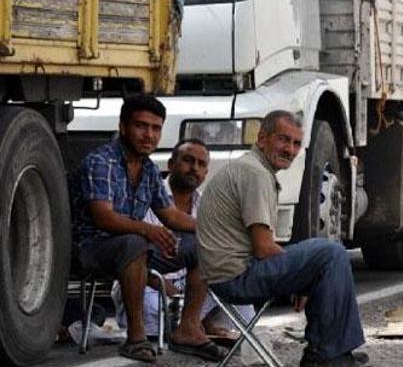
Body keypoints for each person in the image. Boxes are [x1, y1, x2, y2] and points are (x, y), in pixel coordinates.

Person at [197, 110, 368, 366]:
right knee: (330, 253)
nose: (290, 149)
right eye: (283, 140)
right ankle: (325, 355)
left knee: (323, 258)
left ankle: (328, 351)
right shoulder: (254, 173)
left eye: (296, 143)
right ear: (262, 138)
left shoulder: (253, 168)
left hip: (228, 274)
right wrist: (301, 277)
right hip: (235, 278)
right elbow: (264, 248)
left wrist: (302, 275)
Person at [73, 96, 228, 363]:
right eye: (141, 126)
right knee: (135, 242)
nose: (149, 135)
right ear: (123, 127)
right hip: (93, 248)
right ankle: (136, 338)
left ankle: (188, 329)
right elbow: (103, 217)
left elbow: (171, 216)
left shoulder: (147, 169)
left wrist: (215, 230)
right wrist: (147, 230)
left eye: (156, 128)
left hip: (135, 246)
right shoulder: (101, 161)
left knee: (203, 244)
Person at [110, 138, 269, 358]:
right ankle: (200, 325)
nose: (194, 168)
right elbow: (131, 253)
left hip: (192, 288)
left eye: (201, 164)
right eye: (188, 160)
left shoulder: (208, 206)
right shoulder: (147, 197)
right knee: (151, 306)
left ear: (206, 174)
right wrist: (166, 287)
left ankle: (194, 324)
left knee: (237, 291)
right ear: (171, 164)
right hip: (150, 283)